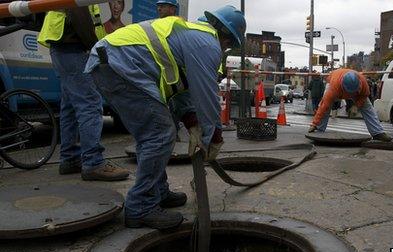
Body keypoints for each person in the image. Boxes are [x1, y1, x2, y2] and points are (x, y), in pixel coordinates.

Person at [84, 6, 246, 229]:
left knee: (155, 132)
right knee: (159, 134)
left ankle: (157, 192)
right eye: (229, 45)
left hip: (113, 63)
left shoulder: (188, 37)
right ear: (225, 38)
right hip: (119, 64)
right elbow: (206, 94)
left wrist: (191, 121)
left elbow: (182, 89)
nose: (226, 49)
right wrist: (214, 135)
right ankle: (140, 206)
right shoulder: (206, 43)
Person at [37, 6, 130, 181]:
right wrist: (94, 47)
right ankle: (93, 163)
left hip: (64, 48)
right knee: (90, 104)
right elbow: (79, 14)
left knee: (70, 107)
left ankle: (70, 158)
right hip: (73, 48)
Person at [308, 69, 392, 142]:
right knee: (326, 107)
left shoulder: (363, 83)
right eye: (349, 93)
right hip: (333, 81)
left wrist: (356, 106)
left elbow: (364, 96)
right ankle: (319, 129)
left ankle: (378, 132)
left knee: (367, 107)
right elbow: (323, 106)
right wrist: (314, 123)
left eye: (353, 92)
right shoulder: (333, 88)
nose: (351, 95)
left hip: (350, 87)